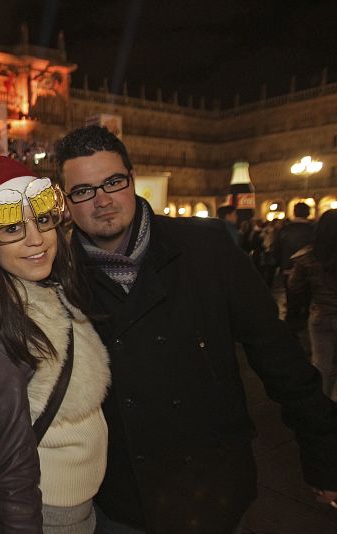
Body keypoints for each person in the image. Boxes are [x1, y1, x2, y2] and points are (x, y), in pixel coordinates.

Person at [55, 125, 337, 534]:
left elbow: (278, 357)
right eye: (83, 190)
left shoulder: (207, 249)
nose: (102, 201)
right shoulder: (58, 273)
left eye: (112, 182)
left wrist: (325, 453)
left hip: (212, 483)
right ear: (66, 201)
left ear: (132, 180)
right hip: (119, 494)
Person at [0, 157, 110, 534]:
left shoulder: (51, 292)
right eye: (13, 229)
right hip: (41, 515)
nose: (35, 239)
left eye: (42, 221)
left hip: (78, 509)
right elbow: (8, 458)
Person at [287, 209, 337, 401]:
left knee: (321, 364)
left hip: (320, 316)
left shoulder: (308, 256)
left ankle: (322, 407)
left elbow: (294, 286)